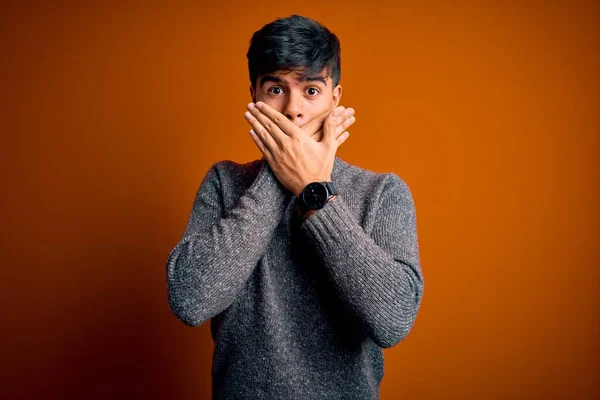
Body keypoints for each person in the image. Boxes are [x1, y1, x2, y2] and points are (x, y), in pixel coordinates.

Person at [166, 14, 424, 400]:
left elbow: (393, 320)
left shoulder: (383, 192)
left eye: (311, 91)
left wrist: (313, 189)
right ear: (254, 94)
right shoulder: (223, 183)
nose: (293, 110)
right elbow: (190, 300)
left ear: (336, 97)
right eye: (275, 89)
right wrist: (279, 174)